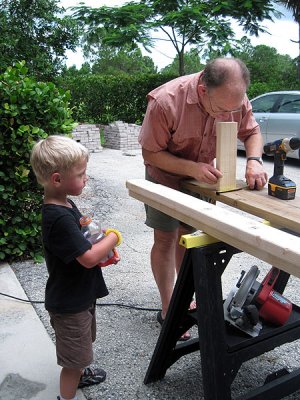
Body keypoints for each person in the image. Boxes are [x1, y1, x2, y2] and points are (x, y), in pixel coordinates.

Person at [138, 57, 268, 340]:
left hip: (203, 179)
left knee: (189, 237)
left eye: (235, 107)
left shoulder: (234, 97)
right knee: (165, 238)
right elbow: (151, 153)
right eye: (223, 108)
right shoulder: (165, 101)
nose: (230, 112)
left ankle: (185, 296)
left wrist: (254, 160)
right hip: (165, 176)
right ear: (202, 90)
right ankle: (168, 306)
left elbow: (252, 131)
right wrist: (192, 168)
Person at [30, 135, 122, 400]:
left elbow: (81, 246)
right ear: (57, 179)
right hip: (69, 304)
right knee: (72, 361)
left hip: (80, 296)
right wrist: (114, 237)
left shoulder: (65, 203)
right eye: (81, 174)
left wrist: (97, 239)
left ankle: (81, 372)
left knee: (83, 345)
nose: (86, 178)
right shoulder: (56, 217)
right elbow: (88, 259)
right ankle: (67, 394)